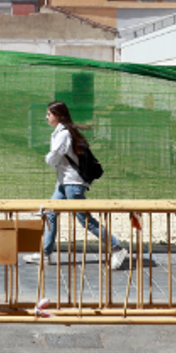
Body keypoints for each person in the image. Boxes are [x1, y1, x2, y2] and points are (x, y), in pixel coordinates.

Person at [25, 101, 129, 270]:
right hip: (65, 183)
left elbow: (53, 159)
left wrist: (46, 157)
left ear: (58, 115)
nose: (46, 117)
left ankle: (117, 248)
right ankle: (45, 254)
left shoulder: (63, 134)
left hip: (72, 184)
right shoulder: (63, 132)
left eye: (49, 114)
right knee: (50, 214)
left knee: (85, 220)